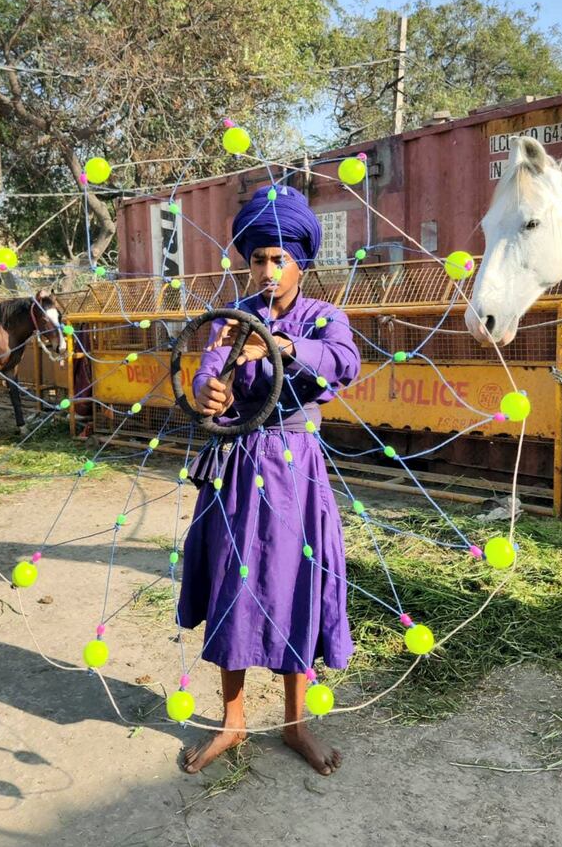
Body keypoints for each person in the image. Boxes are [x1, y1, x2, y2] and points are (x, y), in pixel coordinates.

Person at [177, 185, 361, 776]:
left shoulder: (325, 317)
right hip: (236, 467)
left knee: (293, 584)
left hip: (296, 471)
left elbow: (343, 363)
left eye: (280, 258)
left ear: (301, 263)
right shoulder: (232, 320)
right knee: (233, 584)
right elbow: (211, 377)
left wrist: (280, 347)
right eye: (258, 258)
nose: (268, 268)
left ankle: (294, 723)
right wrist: (210, 389)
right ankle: (232, 722)